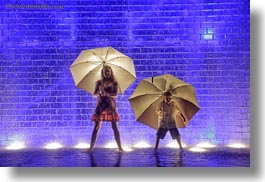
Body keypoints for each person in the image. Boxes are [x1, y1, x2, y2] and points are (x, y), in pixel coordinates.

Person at [88, 65, 123, 152]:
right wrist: (99, 91)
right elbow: (94, 94)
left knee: (114, 126)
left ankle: (120, 147)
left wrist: (106, 93)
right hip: (101, 105)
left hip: (110, 106)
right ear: (102, 73)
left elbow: (115, 94)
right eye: (105, 71)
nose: (107, 73)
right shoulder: (99, 83)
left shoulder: (114, 83)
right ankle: (91, 148)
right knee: (96, 127)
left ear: (111, 72)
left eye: (108, 71)